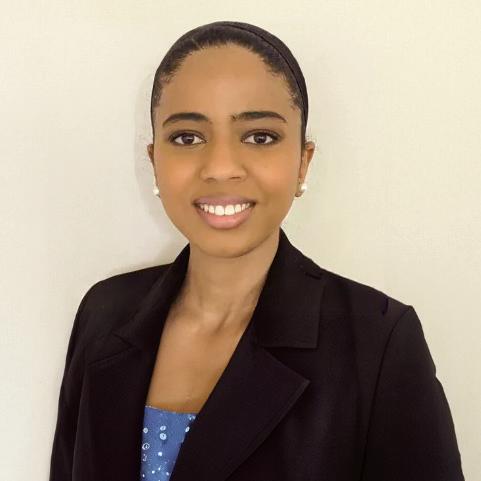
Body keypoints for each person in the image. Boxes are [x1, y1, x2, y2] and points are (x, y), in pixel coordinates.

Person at [49, 21, 465, 481]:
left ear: (303, 161)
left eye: (259, 136)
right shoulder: (103, 315)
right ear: (154, 161)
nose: (221, 167)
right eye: (187, 137)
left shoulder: (378, 343)